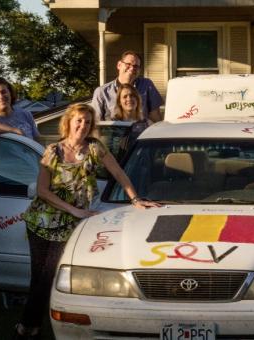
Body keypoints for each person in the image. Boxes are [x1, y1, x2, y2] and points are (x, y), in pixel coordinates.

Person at [14, 103, 159, 339]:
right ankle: (31, 326)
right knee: (39, 276)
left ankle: (27, 327)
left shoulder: (95, 148)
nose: (83, 125)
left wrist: (135, 199)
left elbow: (119, 173)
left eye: (88, 122)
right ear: (69, 122)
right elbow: (42, 190)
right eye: (79, 120)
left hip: (71, 223)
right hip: (41, 220)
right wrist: (74, 210)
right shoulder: (52, 151)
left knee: (50, 274)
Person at [92, 50, 163, 122]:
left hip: (141, 131)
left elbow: (155, 115)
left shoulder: (146, 85)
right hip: (113, 132)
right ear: (119, 65)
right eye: (128, 64)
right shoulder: (102, 92)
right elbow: (96, 122)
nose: (132, 68)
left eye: (136, 66)